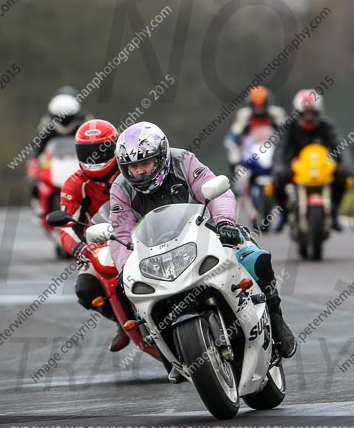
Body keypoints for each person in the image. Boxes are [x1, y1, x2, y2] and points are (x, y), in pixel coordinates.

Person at [108, 122, 297, 383]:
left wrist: (225, 223)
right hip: (156, 253)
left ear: (161, 156)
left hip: (207, 233)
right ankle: (170, 353)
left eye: (146, 164)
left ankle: (277, 321)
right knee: (130, 291)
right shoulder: (120, 189)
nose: (139, 172)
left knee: (256, 258)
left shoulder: (183, 160)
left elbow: (217, 190)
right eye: (133, 167)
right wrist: (124, 266)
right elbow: (120, 232)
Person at [58, 119, 129, 352]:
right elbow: (67, 225)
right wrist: (79, 248)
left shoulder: (131, 167)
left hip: (142, 233)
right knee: (86, 288)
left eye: (101, 150)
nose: (95, 158)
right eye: (87, 152)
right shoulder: (73, 184)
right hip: (101, 242)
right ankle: (122, 322)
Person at [273, 89, 353, 231]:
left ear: (318, 112)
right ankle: (284, 214)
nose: (308, 117)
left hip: (322, 166)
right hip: (295, 166)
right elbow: (280, 148)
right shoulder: (289, 126)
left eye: (312, 113)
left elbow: (340, 147)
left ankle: (333, 211)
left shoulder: (327, 126)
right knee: (276, 182)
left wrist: (345, 165)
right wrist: (279, 166)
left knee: (344, 179)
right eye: (305, 113)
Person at [27, 87, 93, 204]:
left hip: (77, 163)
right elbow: (37, 144)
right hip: (53, 163)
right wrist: (33, 161)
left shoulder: (86, 120)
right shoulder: (46, 123)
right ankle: (37, 204)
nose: (65, 122)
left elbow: (94, 141)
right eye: (61, 117)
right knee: (35, 180)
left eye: (68, 118)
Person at [224, 86, 287, 175]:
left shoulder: (276, 114)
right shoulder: (244, 116)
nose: (259, 109)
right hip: (250, 153)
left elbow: (287, 134)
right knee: (237, 165)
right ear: (251, 105)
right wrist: (235, 149)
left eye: (262, 106)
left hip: (273, 151)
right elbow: (232, 136)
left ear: (267, 104)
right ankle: (239, 186)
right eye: (256, 106)